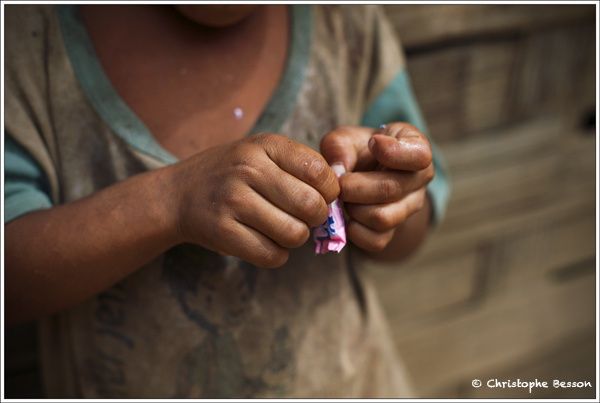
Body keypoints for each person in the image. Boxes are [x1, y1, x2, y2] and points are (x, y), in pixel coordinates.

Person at [4, 4, 450, 398]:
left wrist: (388, 196)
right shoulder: (26, 47)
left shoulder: (348, 25)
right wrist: (170, 200)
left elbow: (411, 229)